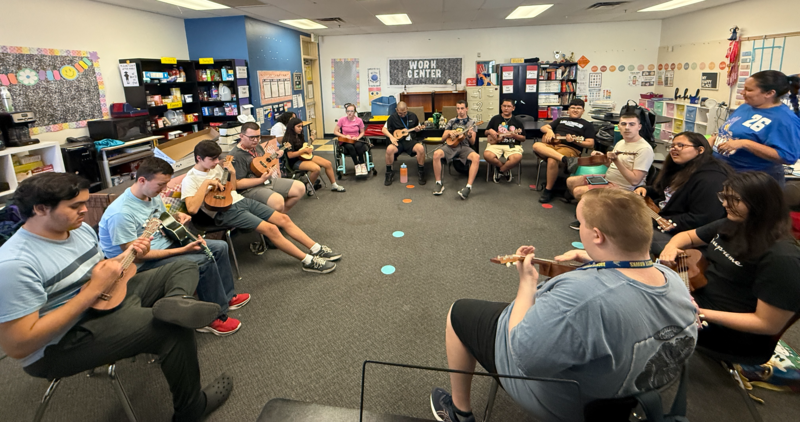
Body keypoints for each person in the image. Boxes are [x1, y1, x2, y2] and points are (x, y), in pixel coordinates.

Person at [430, 188, 697, 422]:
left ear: (597, 235)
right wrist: (594, 260)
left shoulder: (581, 297)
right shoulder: (674, 280)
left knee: (459, 312)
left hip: (574, 405)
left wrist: (527, 285)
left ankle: (459, 412)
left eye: (580, 222)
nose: (579, 226)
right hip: (631, 397)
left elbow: (522, 355)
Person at [0, 172, 231, 422]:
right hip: (60, 342)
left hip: (102, 301)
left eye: (85, 203)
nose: (84, 210)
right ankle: (191, 410)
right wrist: (91, 292)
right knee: (172, 329)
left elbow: (100, 272)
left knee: (184, 265)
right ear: (40, 209)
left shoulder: (78, 230)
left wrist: (126, 255)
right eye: (75, 206)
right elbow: (19, 346)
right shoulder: (15, 264)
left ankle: (176, 300)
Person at [660, 171, 800, 364]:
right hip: (698, 298)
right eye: (724, 197)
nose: (725, 204)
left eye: (734, 199)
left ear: (761, 204)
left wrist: (699, 312)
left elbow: (768, 324)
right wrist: (671, 247)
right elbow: (689, 236)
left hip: (728, 333)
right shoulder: (736, 222)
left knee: (642, 316)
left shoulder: (782, 258)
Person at [99, 157, 249, 336]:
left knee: (219, 247)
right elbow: (136, 256)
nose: (165, 189)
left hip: (166, 244)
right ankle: (212, 318)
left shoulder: (150, 195)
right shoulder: (121, 213)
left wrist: (177, 216)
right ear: (142, 180)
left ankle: (226, 296)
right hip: (138, 265)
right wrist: (182, 250)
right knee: (202, 259)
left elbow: (162, 216)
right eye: (161, 185)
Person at [181, 140, 341, 273]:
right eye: (213, 159)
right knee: (271, 229)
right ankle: (307, 261)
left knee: (283, 218)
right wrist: (207, 184)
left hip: (239, 200)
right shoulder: (190, 179)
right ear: (199, 158)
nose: (217, 162)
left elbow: (233, 188)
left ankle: (316, 248)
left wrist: (232, 173)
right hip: (223, 212)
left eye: (218, 158)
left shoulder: (216, 168)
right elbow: (193, 209)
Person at [634, 132, 731, 255]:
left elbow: (702, 219)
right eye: (673, 145)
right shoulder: (682, 167)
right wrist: (646, 189)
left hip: (684, 236)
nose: (674, 149)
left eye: (681, 145)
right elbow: (666, 191)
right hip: (664, 218)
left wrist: (657, 220)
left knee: (631, 231)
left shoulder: (711, 179)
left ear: (700, 150)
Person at [565, 113, 654, 230]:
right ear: (619, 126)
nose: (627, 127)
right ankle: (593, 213)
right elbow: (611, 165)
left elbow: (635, 180)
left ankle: (594, 220)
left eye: (632, 124)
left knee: (579, 191)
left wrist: (616, 161)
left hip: (624, 188)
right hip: (608, 179)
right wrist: (603, 158)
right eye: (624, 124)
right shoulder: (621, 143)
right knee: (571, 181)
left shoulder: (644, 149)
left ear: (639, 127)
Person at [712, 70, 800, 185]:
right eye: (744, 88)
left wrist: (746, 144)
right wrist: (714, 139)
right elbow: (731, 132)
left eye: (749, 90)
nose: (743, 92)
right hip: (724, 171)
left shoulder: (784, 119)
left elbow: (788, 156)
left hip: (752, 181)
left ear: (769, 93)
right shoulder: (745, 107)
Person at [230, 121, 305, 213]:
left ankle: (278, 217)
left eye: (258, 136)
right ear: (241, 136)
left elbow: (264, 163)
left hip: (267, 181)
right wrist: (260, 180)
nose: (255, 140)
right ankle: (272, 221)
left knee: (300, 188)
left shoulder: (256, 147)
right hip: (250, 189)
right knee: (278, 201)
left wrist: (274, 158)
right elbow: (237, 183)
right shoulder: (236, 156)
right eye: (251, 137)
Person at [533, 99, 596, 203]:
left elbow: (590, 144)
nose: (575, 110)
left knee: (552, 159)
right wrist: (549, 131)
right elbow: (543, 127)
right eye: (573, 108)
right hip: (552, 146)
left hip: (570, 149)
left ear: (583, 111)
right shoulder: (560, 120)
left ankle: (548, 190)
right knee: (536, 145)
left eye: (578, 108)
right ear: (568, 110)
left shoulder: (587, 125)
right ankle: (566, 160)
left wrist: (576, 142)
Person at [432, 100, 481, 200]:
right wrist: (451, 132)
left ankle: (468, 187)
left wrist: (470, 135)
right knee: (436, 154)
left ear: (467, 109)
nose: (460, 111)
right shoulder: (452, 121)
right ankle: (438, 183)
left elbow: (472, 142)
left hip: (464, 147)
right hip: (450, 146)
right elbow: (442, 138)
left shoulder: (472, 123)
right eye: (458, 108)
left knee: (476, 157)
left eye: (462, 108)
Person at [283, 117, 346, 193]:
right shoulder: (287, 139)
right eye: (298, 126)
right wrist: (304, 150)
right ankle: (310, 186)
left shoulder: (299, 136)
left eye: (301, 126)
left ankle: (334, 185)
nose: (300, 128)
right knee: (316, 169)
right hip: (295, 162)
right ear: (292, 127)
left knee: (328, 164)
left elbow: (304, 147)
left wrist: (309, 147)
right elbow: (290, 155)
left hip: (305, 157)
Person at [382, 101, 426, 186]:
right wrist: (391, 137)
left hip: (410, 141)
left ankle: (421, 172)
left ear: (407, 109)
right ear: (396, 110)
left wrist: (418, 129)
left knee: (420, 148)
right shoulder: (392, 117)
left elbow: (419, 127)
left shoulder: (413, 116)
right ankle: (388, 173)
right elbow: (384, 129)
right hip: (398, 142)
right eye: (400, 113)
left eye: (404, 113)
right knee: (389, 149)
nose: (402, 115)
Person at [484, 99, 526, 183]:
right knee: (487, 155)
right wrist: (490, 131)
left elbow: (523, 138)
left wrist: (514, 135)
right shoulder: (495, 119)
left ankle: (501, 170)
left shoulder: (517, 121)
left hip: (512, 145)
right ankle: (505, 168)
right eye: (504, 106)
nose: (506, 108)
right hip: (496, 144)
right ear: (501, 107)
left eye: (509, 106)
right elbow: (486, 132)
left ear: (513, 108)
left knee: (517, 157)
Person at [334, 103, 369, 176]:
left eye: (351, 111)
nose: (349, 113)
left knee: (358, 146)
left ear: (355, 112)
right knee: (350, 147)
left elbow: (362, 132)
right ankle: (357, 165)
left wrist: (357, 137)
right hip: (346, 140)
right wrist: (344, 136)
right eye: (348, 111)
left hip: (356, 138)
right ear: (346, 112)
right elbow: (335, 131)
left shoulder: (359, 120)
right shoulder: (342, 120)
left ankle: (362, 164)